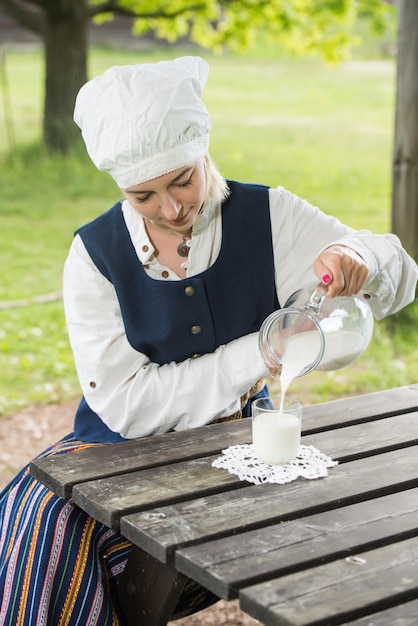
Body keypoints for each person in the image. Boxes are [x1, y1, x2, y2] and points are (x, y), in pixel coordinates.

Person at [0, 56, 416, 625]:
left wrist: (359, 256)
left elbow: (400, 274)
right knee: (39, 517)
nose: (171, 210)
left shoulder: (269, 215)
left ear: (203, 151)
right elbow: (127, 405)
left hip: (240, 443)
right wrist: (261, 352)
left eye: (181, 180)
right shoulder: (93, 255)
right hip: (117, 448)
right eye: (143, 196)